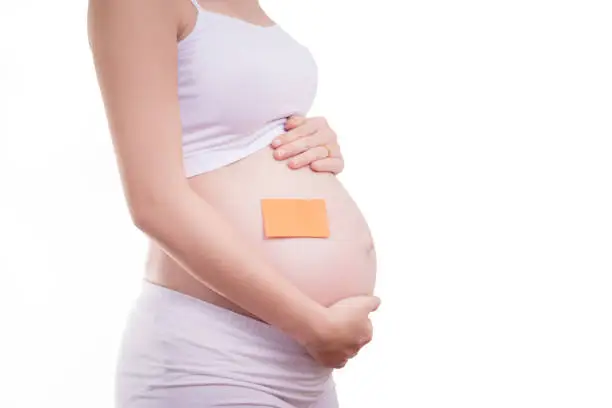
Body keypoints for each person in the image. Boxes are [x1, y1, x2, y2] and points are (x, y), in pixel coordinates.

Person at [88, 0, 379, 407]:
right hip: (210, 356)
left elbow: (235, 124)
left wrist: (310, 137)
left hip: (306, 369)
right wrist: (313, 326)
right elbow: (154, 202)